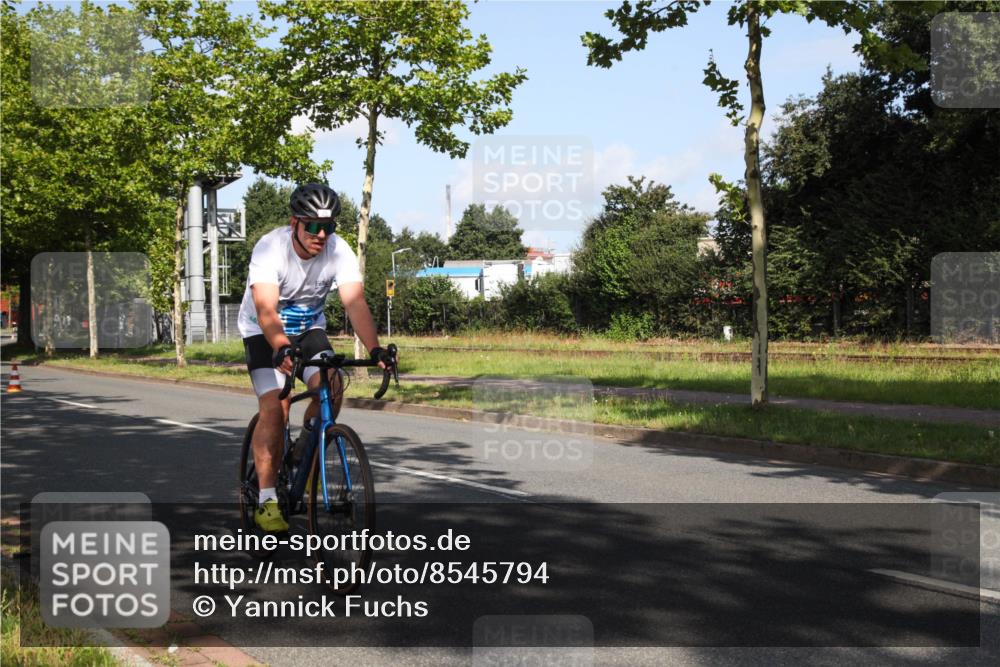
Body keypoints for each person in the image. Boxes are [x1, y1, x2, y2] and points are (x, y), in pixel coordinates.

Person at [238, 183, 392, 532]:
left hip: (308, 329)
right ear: (294, 223)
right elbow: (265, 309)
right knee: (275, 407)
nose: (321, 234)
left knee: (332, 385)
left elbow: (354, 303)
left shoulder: (339, 251)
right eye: (312, 226)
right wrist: (279, 345)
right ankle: (266, 500)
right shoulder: (270, 248)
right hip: (263, 332)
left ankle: (304, 453)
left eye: (329, 226)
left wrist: (376, 350)